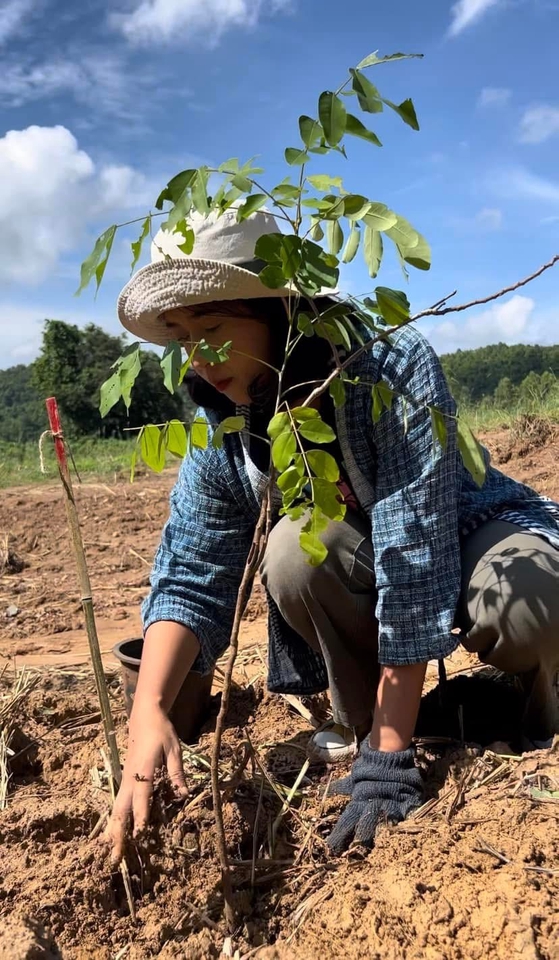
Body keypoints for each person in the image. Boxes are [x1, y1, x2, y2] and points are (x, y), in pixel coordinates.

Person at [105, 206, 559, 862]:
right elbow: (193, 566)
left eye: (211, 327)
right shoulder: (227, 424)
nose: (198, 359)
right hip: (364, 559)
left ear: (280, 311)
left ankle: (531, 716)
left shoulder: (387, 366)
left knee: (535, 598)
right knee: (293, 556)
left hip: (466, 528)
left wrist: (392, 759)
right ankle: (369, 724)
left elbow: (414, 547)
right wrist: (147, 712)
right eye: (181, 338)